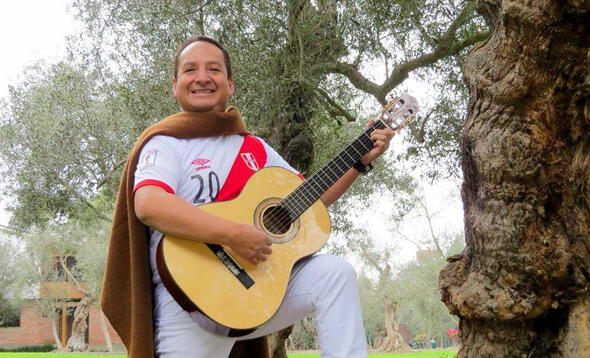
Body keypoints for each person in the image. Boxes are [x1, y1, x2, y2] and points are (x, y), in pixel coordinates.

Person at [102, 36, 395, 358]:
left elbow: (310, 200)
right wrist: (234, 235)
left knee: (334, 274)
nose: (202, 77)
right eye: (190, 70)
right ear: (175, 85)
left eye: (213, 69)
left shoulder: (254, 149)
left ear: (230, 84)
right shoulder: (165, 144)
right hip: (187, 298)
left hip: (253, 291)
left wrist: (360, 161)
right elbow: (150, 205)